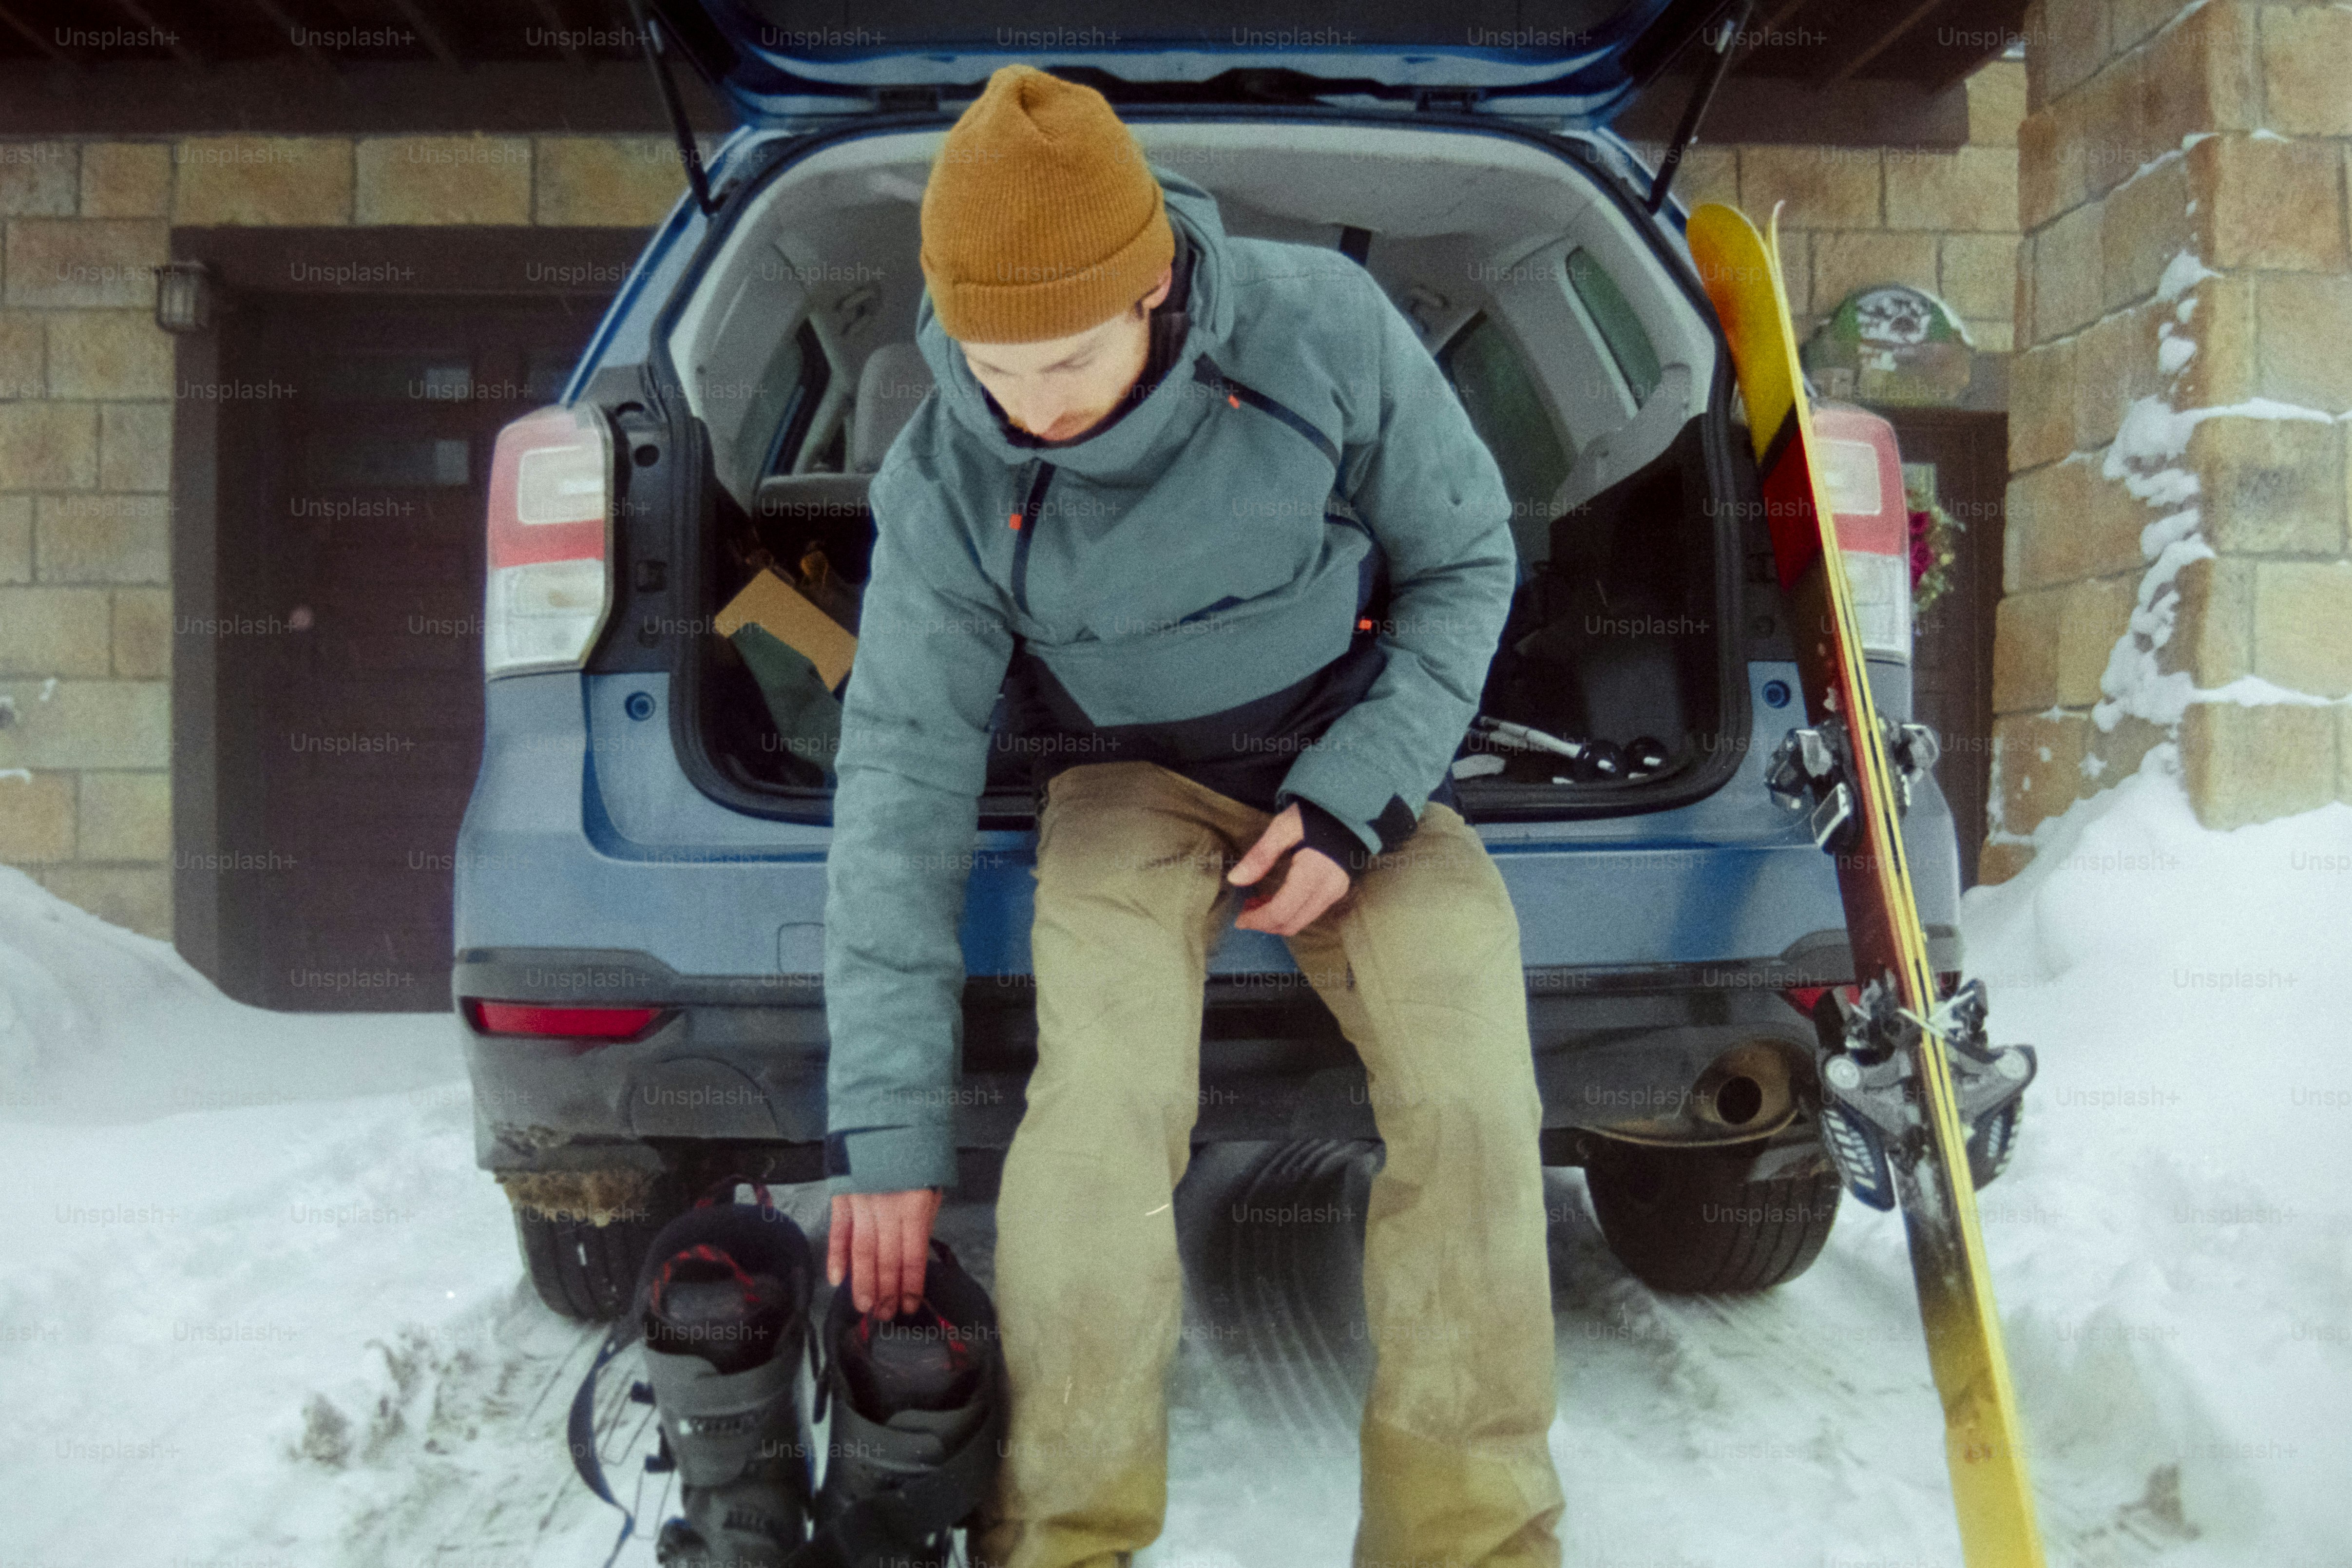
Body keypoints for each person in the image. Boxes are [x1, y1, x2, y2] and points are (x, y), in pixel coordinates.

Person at [819, 62, 1565, 1568]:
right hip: (1123, 780)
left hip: (1354, 752)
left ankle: (1468, 1540)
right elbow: (898, 785)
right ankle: (1066, 1535)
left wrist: (1353, 801)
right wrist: (887, 1124)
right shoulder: (947, 474)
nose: (1027, 408)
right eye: (989, 364)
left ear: (1154, 280)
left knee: (1474, 1104)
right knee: (1096, 1122)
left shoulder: (1324, 331)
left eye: (1067, 361)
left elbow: (1466, 559)